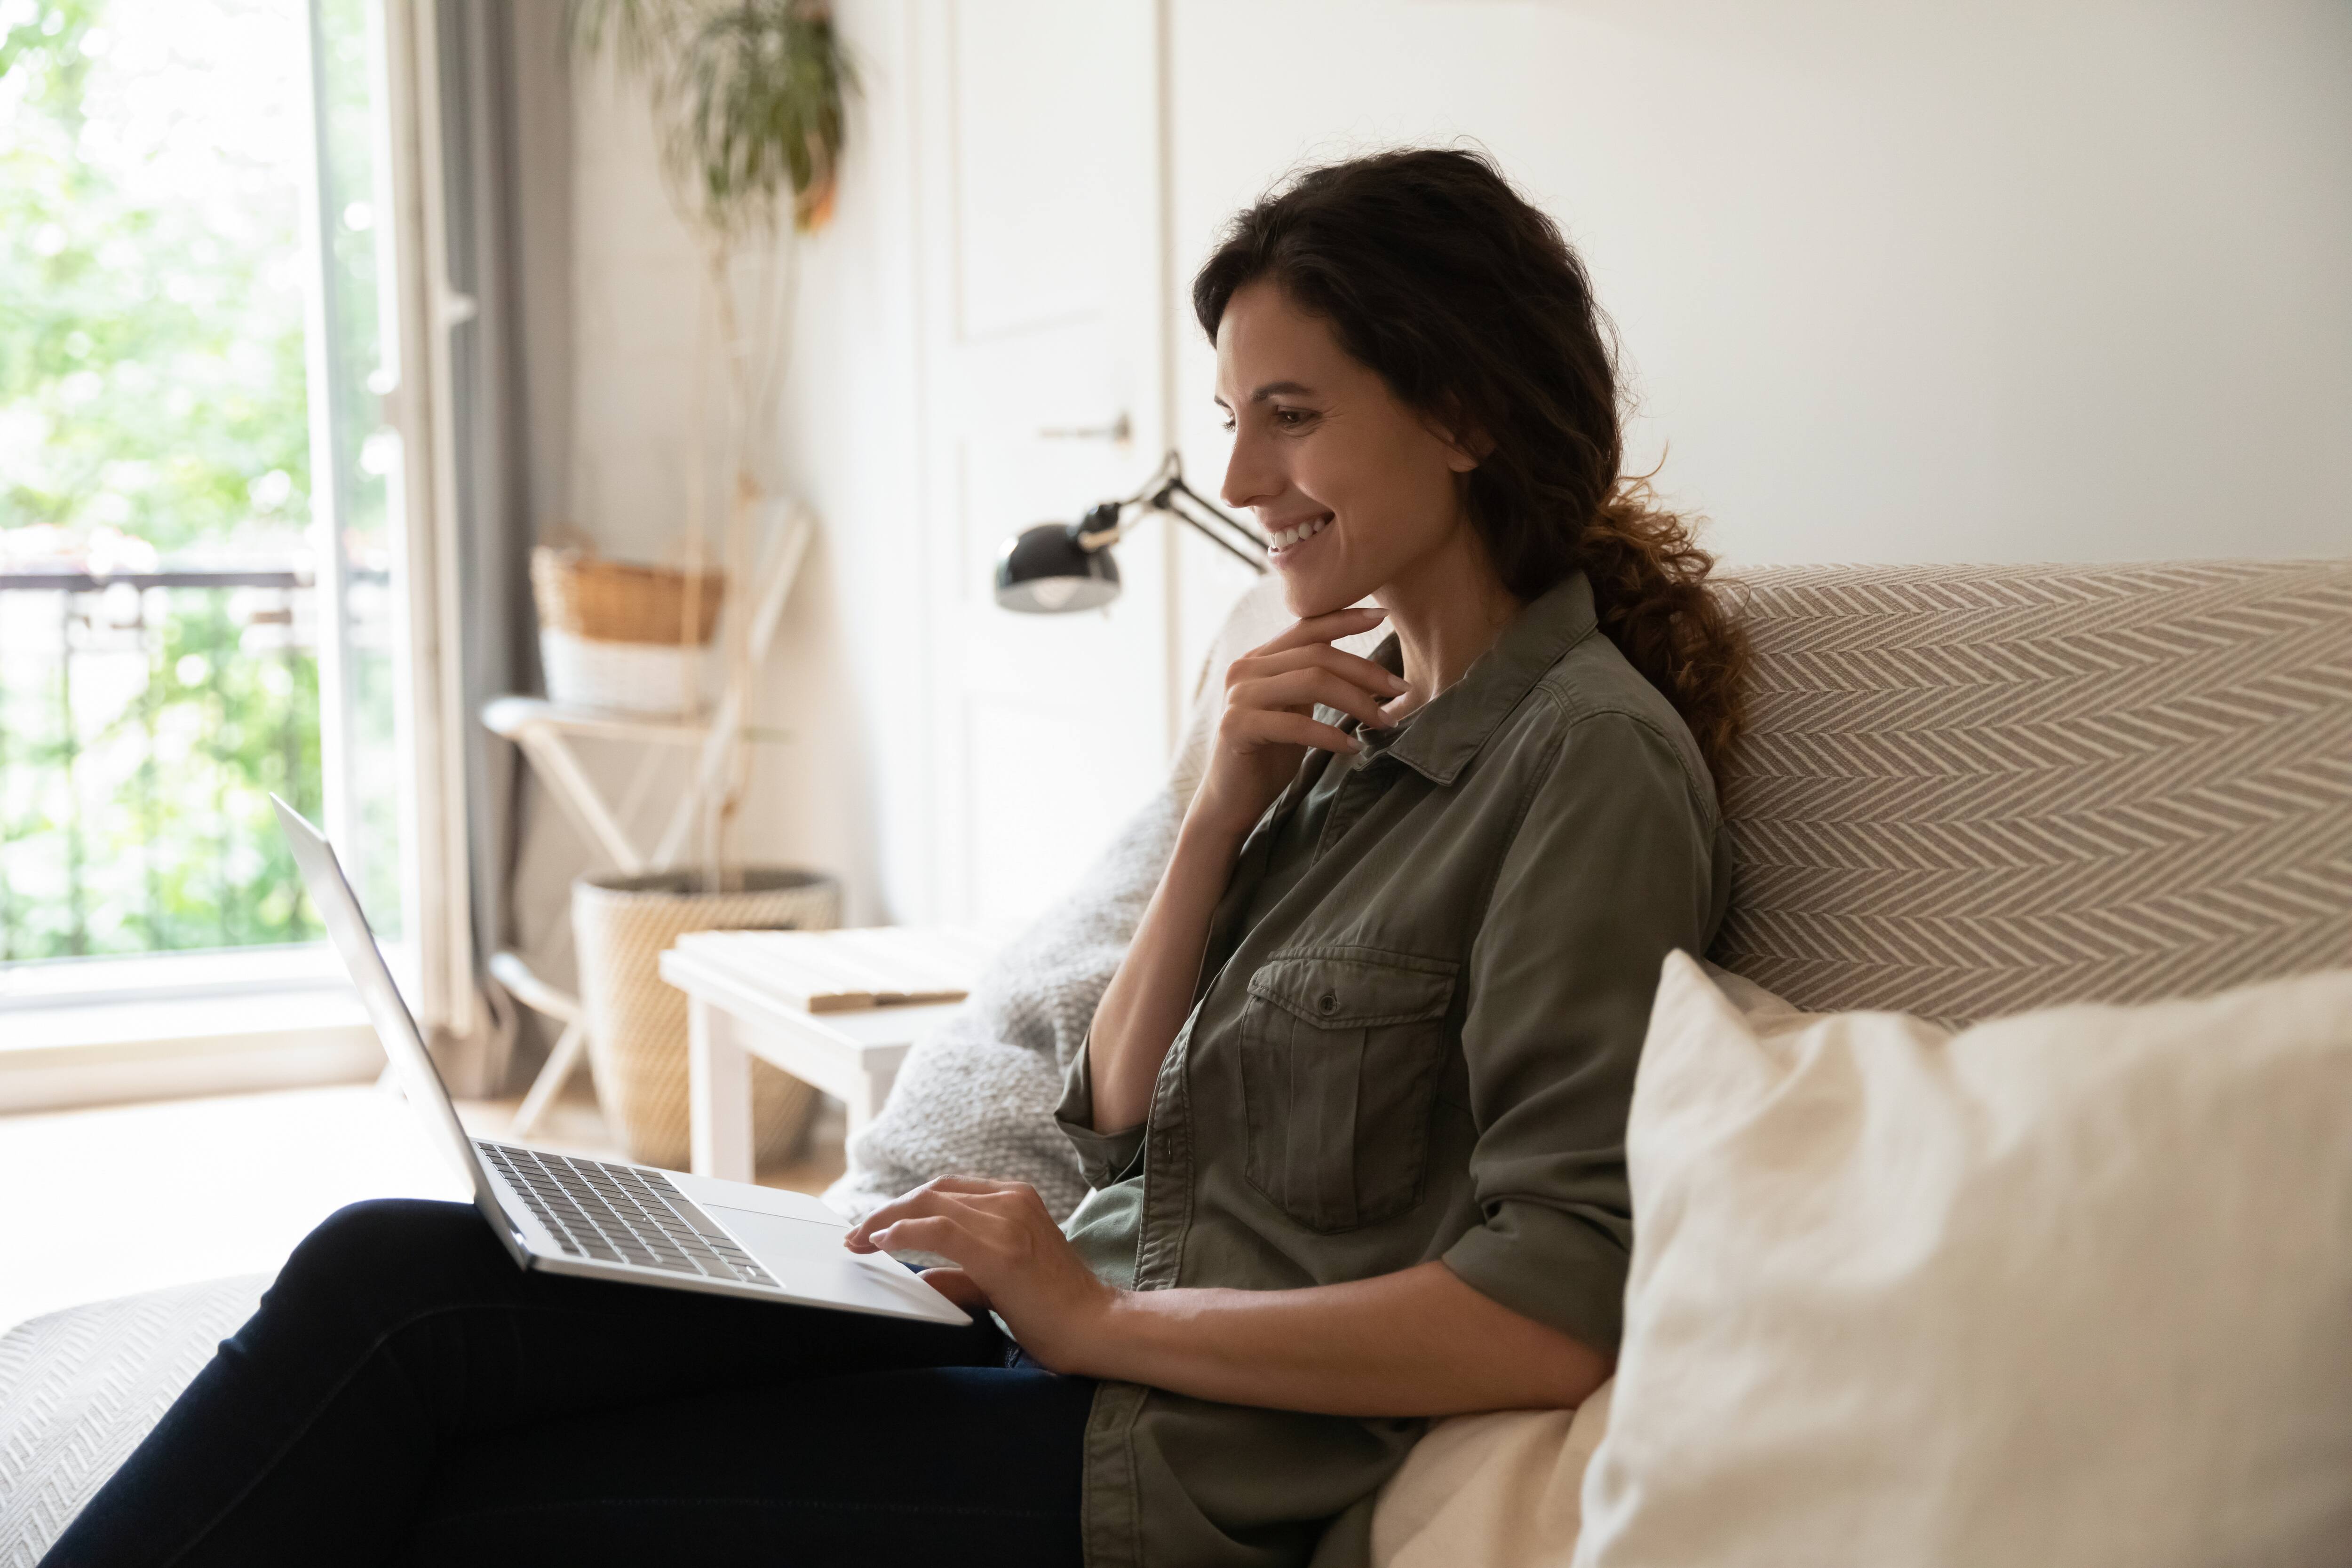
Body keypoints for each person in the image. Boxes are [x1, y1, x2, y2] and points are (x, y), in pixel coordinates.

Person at [42, 147, 1745, 1568]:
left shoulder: (1585, 765)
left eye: (1287, 416)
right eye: (1232, 417)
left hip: (1150, 1455)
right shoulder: (1332, 719)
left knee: (464, 1504)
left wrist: (1091, 1321)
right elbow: (1116, 1112)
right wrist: (1214, 823)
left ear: (1462, 411)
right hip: (1029, 1334)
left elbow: (1551, 1304)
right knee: (387, 1271)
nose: (1237, 478)